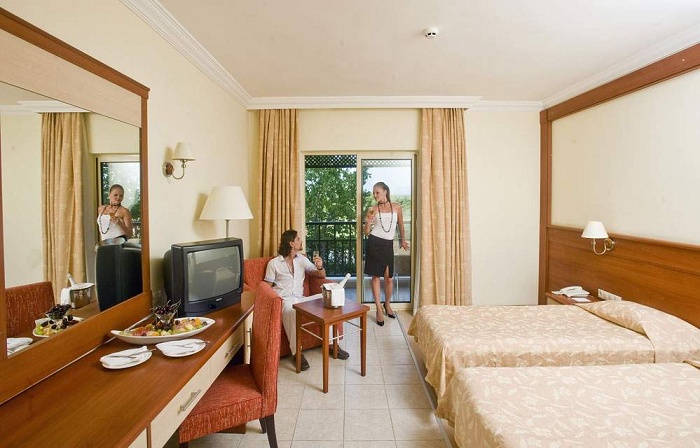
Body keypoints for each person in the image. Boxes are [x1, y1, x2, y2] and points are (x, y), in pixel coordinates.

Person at [265, 229, 350, 370]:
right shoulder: (274, 263)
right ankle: (297, 353)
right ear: (291, 243)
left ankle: (332, 344)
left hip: (301, 299)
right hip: (284, 301)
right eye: (298, 239)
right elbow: (266, 287)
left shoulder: (302, 260)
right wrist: (270, 302)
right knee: (291, 310)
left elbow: (321, 275)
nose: (301, 241)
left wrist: (320, 266)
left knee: (327, 299)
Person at [363, 182, 409, 326]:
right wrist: (368, 222)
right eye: (373, 193)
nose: (374, 195)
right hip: (374, 244)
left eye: (377, 192)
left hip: (388, 245)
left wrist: (403, 240)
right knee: (376, 277)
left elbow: (401, 225)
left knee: (388, 278)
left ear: (385, 192)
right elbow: (366, 232)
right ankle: (378, 308)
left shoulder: (397, 207)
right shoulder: (372, 209)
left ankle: (387, 303)